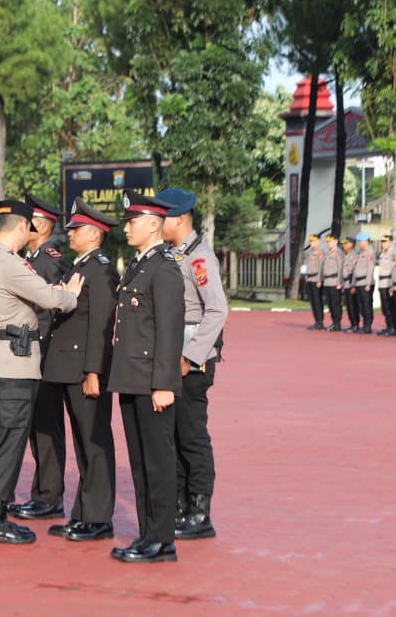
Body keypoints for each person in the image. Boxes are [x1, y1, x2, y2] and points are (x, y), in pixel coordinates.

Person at [0, 199, 82, 545]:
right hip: (14, 365)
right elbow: (52, 299)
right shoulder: (10, 263)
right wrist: (70, 295)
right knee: (10, 442)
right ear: (21, 228)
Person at [109, 190, 185, 564]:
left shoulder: (164, 268)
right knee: (140, 462)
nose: (126, 227)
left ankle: (162, 539)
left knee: (157, 461)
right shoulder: (139, 266)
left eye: (132, 221)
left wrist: (164, 384)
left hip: (152, 382)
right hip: (131, 377)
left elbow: (169, 332)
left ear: (153, 225)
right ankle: (147, 534)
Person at [43, 197, 119, 543]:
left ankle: (99, 518)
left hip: (84, 369)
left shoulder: (99, 268)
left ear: (92, 233)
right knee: (83, 445)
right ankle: (84, 514)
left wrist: (93, 372)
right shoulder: (80, 266)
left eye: (75, 230)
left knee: (95, 443)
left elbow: (102, 325)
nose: (69, 235)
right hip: (69, 367)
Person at [157, 187, 227, 542]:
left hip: (192, 362)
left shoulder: (199, 258)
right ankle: (182, 506)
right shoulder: (172, 254)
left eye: (162, 216)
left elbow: (217, 310)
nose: (157, 222)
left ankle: (200, 512)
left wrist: (191, 356)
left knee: (191, 436)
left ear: (180, 218)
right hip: (174, 358)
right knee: (173, 435)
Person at [10, 193, 72, 522]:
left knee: (47, 429)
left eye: (29, 222)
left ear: (43, 228)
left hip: (46, 355)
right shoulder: (32, 260)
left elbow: (56, 310)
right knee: (37, 428)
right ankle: (41, 493)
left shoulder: (51, 261)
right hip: (33, 354)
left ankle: (50, 497)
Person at [319, 234, 344, 332]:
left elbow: (340, 268)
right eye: (328, 242)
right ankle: (334, 322)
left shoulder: (338, 253)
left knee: (335, 303)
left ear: (336, 241)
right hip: (327, 282)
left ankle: (337, 323)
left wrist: (339, 282)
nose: (328, 243)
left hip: (335, 282)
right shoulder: (328, 254)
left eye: (330, 241)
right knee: (329, 303)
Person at [353, 232, 375, 334]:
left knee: (366, 305)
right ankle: (364, 324)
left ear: (366, 241)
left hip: (365, 283)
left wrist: (368, 283)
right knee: (361, 305)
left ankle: (367, 325)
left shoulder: (369, 252)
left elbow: (370, 269)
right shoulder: (361, 253)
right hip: (359, 283)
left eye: (360, 241)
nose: (359, 243)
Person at [376, 235, 396, 336]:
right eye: (382, 242)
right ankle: (388, 326)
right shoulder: (382, 254)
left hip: (388, 283)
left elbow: (394, 270)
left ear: (390, 242)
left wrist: (392, 286)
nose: (383, 244)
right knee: (384, 307)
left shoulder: (393, 254)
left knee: (390, 307)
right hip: (382, 283)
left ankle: (393, 327)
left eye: (385, 242)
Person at [303, 234, 325, 330]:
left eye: (313, 241)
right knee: (312, 301)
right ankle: (316, 321)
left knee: (317, 301)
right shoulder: (310, 253)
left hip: (316, 279)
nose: (311, 243)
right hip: (310, 279)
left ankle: (320, 321)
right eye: (310, 241)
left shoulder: (320, 252)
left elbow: (321, 266)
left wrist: (319, 279)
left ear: (318, 241)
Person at [340, 237, 360, 332]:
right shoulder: (346, 256)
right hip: (346, 283)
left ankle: (355, 324)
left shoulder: (355, 256)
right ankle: (352, 324)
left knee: (353, 306)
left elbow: (355, 272)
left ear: (351, 244)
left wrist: (353, 285)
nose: (344, 245)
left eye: (346, 243)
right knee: (348, 306)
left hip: (351, 283)